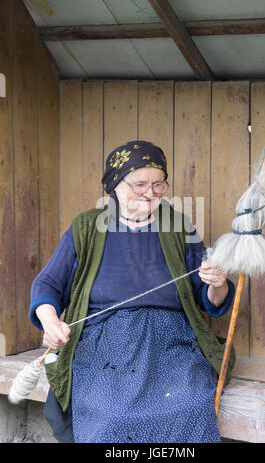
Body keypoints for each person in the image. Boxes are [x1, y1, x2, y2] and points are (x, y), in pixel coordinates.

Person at [30, 140, 235, 443]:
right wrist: (50, 322)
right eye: (140, 184)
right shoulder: (85, 227)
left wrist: (218, 284)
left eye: (159, 184)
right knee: (111, 413)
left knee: (188, 404)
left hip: (171, 343)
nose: (151, 193)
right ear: (115, 184)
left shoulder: (179, 226)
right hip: (103, 344)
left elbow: (208, 301)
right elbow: (47, 285)